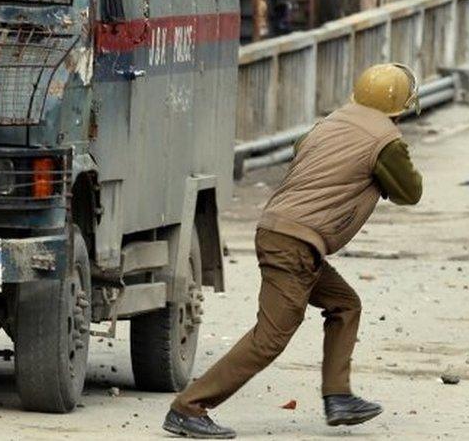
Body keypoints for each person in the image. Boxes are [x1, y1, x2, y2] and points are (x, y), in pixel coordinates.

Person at [163, 64, 423, 438]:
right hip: (295, 245)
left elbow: (300, 149)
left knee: (345, 304)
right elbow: (409, 192)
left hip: (282, 233)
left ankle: (338, 396)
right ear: (402, 105)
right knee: (270, 338)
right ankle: (188, 407)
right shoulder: (386, 140)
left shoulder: (331, 122)